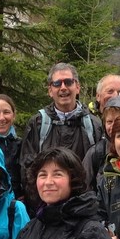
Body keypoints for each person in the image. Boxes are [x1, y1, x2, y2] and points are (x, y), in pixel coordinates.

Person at [19, 63, 103, 191]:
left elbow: (100, 169)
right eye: (57, 83)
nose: (63, 88)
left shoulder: (93, 124)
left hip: (83, 203)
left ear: (78, 87)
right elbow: (28, 168)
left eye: (68, 82)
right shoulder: (38, 123)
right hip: (46, 202)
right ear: (50, 91)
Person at [81, 95, 120, 190]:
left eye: (118, 120)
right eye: (109, 122)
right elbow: (83, 188)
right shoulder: (96, 153)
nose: (113, 126)